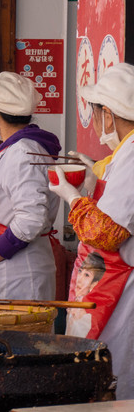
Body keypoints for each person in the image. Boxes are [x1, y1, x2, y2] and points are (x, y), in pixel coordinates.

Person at [47, 63, 134, 398]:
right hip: (109, 282)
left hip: (121, 285)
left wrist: (73, 197)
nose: (96, 120)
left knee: (116, 370)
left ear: (108, 114)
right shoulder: (121, 155)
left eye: (96, 112)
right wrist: (92, 185)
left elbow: (109, 233)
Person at [0, 72, 61, 300]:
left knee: (14, 334)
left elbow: (32, 218)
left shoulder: (22, 152)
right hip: (11, 271)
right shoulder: (16, 149)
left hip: (19, 273)